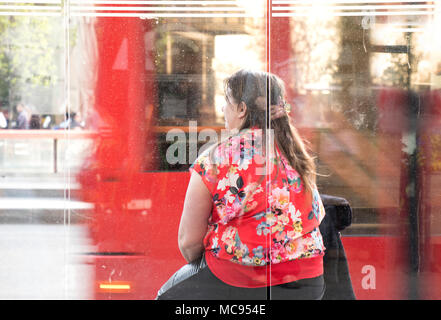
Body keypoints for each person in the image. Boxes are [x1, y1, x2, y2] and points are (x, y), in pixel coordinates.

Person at [157, 69, 326, 300]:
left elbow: (189, 242)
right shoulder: (297, 154)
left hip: (239, 279)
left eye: (226, 101)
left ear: (242, 109)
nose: (222, 109)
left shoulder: (214, 160)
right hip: (308, 282)